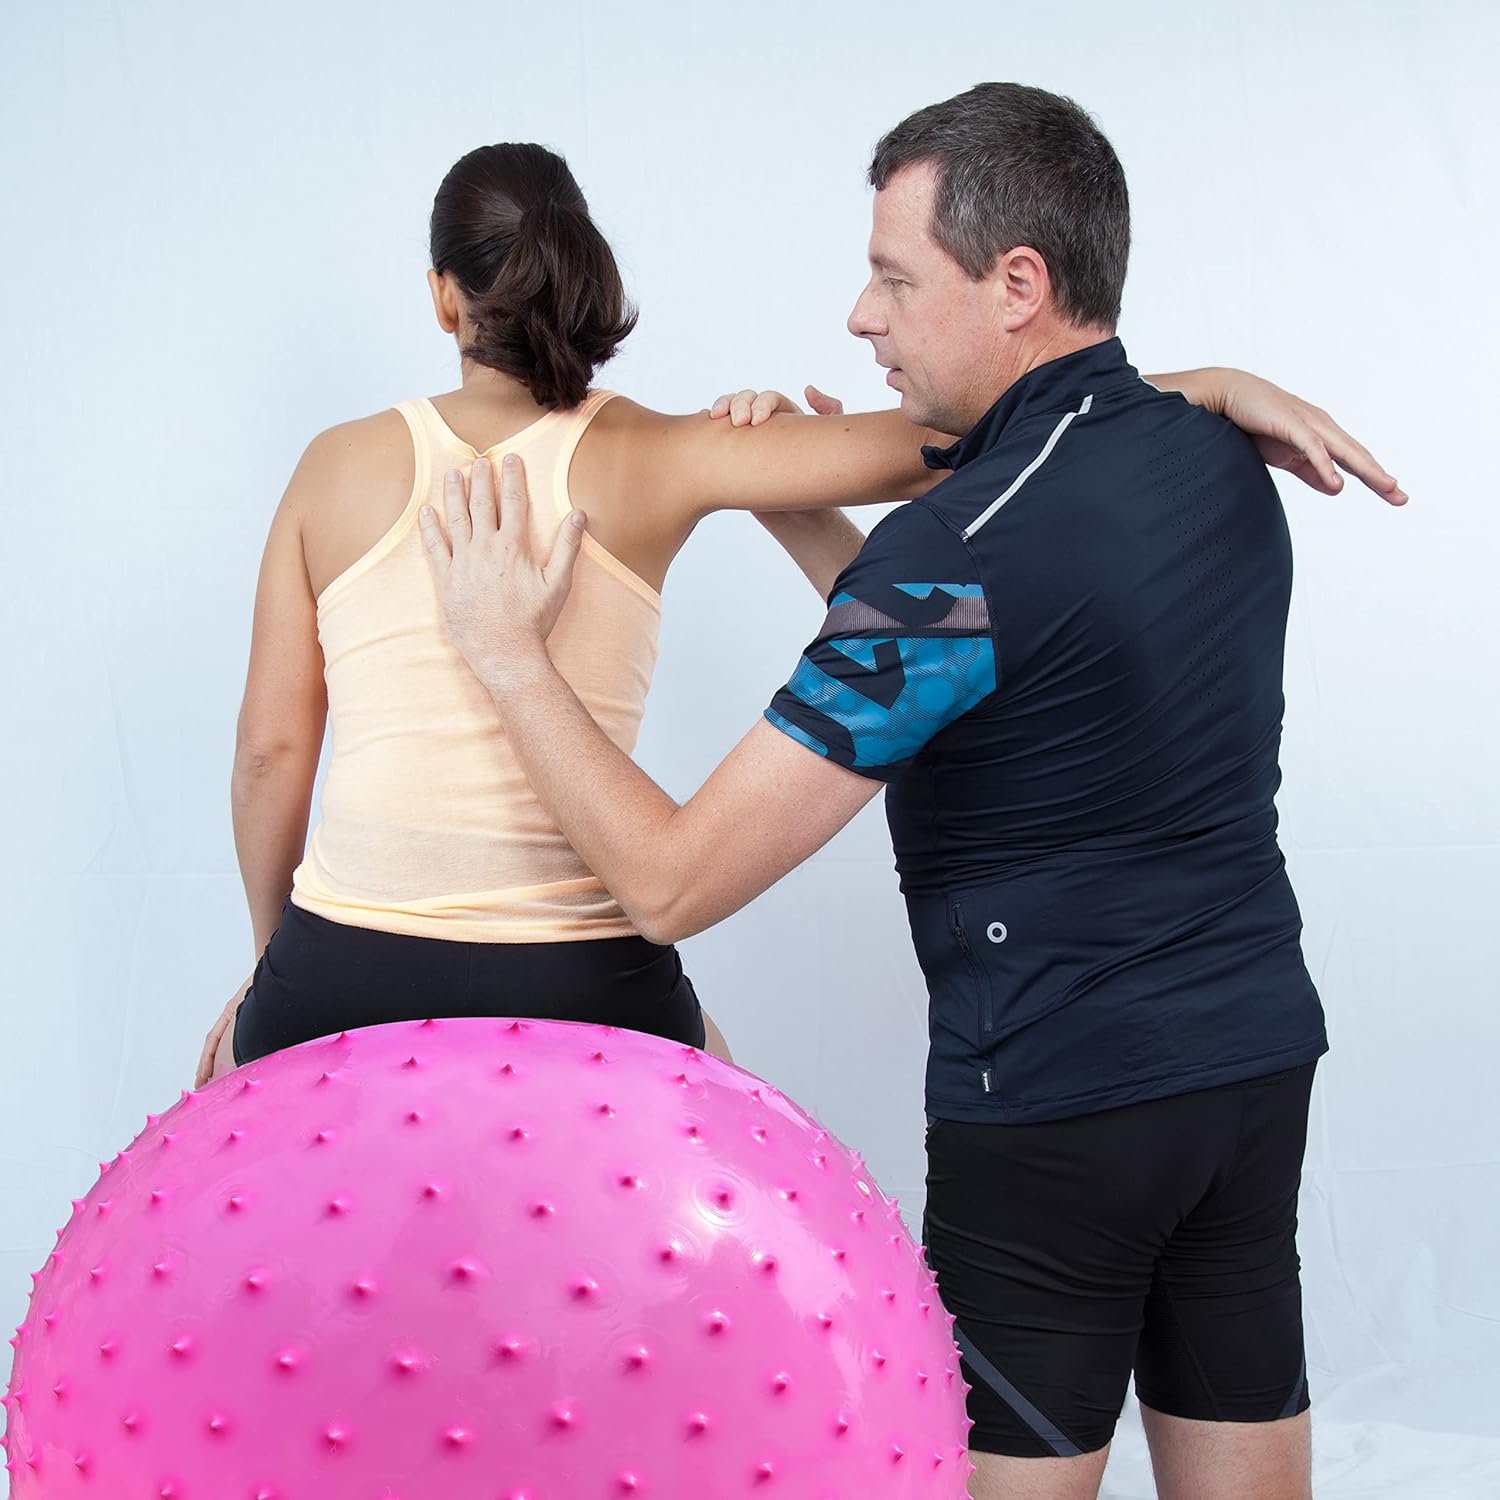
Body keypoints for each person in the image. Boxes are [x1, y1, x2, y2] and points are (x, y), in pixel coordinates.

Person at [419, 87, 1405, 1500]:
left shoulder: (954, 558)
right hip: (1249, 1069)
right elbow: (1005, 666)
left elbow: (672, 881)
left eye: (893, 278)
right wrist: (797, 506)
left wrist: (509, 652)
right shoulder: (1215, 460)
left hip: (1062, 1119)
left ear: (1019, 285)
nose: (859, 318)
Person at [198, 137, 1354, 1092]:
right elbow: (993, 427)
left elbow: (268, 754)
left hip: (341, 964)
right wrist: (1198, 385)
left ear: (444, 294)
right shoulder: (667, 453)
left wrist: (276, 962)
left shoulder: (331, 469)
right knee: (737, 1159)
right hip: (585, 975)